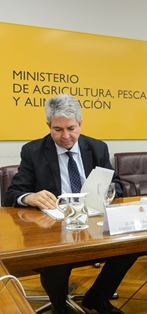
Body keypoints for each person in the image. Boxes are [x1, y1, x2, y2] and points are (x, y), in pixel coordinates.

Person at [5, 94, 137, 314]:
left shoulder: (97, 148)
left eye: (71, 128)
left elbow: (117, 185)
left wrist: (107, 192)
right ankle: (59, 307)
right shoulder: (33, 151)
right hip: (52, 228)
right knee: (57, 258)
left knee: (130, 246)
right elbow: (12, 194)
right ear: (48, 125)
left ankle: (97, 297)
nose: (66, 136)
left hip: (92, 223)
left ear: (80, 124)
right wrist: (29, 197)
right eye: (58, 129)